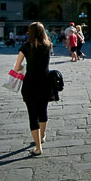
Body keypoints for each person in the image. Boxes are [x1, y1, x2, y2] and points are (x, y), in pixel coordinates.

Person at [12, 22, 53, 156]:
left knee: (32, 115)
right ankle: (43, 135)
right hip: (46, 83)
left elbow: (17, 67)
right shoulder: (48, 46)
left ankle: (38, 147)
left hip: (30, 84)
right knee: (43, 111)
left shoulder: (25, 47)